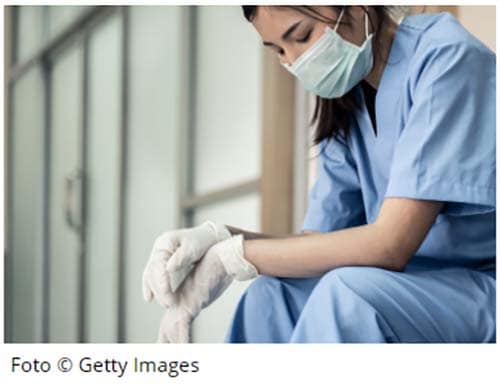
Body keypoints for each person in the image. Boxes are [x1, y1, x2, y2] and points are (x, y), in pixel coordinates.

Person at [142, 6, 496, 343]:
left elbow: (391, 245)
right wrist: (218, 239)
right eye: (278, 50)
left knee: (345, 295)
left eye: (301, 35)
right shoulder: (348, 101)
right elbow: (318, 237)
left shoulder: (446, 58)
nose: (294, 61)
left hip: (479, 287)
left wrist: (235, 258)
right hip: (408, 285)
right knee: (272, 294)